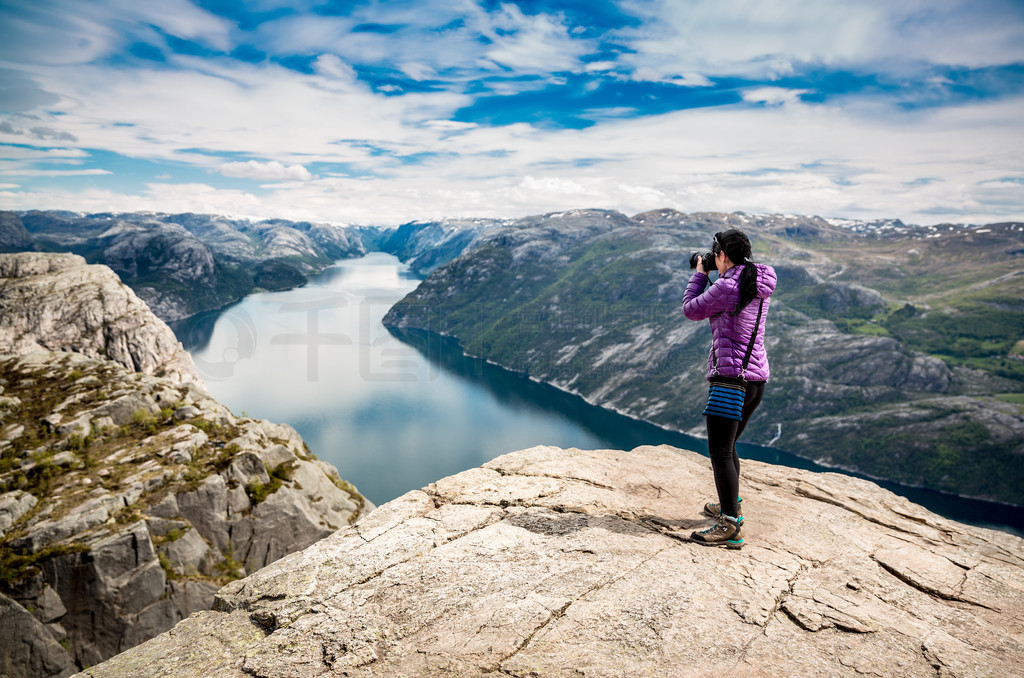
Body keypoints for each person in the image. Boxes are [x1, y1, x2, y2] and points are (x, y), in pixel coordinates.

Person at [682, 229, 777, 549]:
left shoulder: (726, 285)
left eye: (714, 255)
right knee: (730, 444)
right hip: (756, 380)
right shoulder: (758, 279)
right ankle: (728, 507)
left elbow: (692, 309)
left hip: (730, 381)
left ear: (722, 255)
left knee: (720, 450)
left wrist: (699, 273)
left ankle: (731, 524)